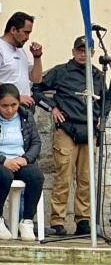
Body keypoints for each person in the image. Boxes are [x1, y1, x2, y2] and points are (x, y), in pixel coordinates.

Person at [32, 36, 110, 236]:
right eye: (80, 50)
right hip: (67, 129)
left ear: (93, 53)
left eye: (87, 50)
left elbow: (106, 99)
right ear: (74, 51)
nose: (83, 54)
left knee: (85, 178)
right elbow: (36, 90)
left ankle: (83, 220)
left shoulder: (98, 75)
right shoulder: (61, 71)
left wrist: (103, 116)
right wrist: (52, 108)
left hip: (90, 130)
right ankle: (57, 221)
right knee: (63, 177)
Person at [0, 83, 44, 241]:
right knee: (4, 175)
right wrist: (3, 161)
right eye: (5, 106)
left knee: (36, 175)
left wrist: (25, 159)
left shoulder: (26, 116)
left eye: (14, 105)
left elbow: (36, 143)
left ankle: (27, 221)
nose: (10, 110)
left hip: (20, 161)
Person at [0, 11, 44, 108]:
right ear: (13, 30)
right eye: (26, 32)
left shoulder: (20, 51)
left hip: (23, 108)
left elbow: (36, 79)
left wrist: (37, 56)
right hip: (2, 110)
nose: (28, 37)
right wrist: (16, 98)